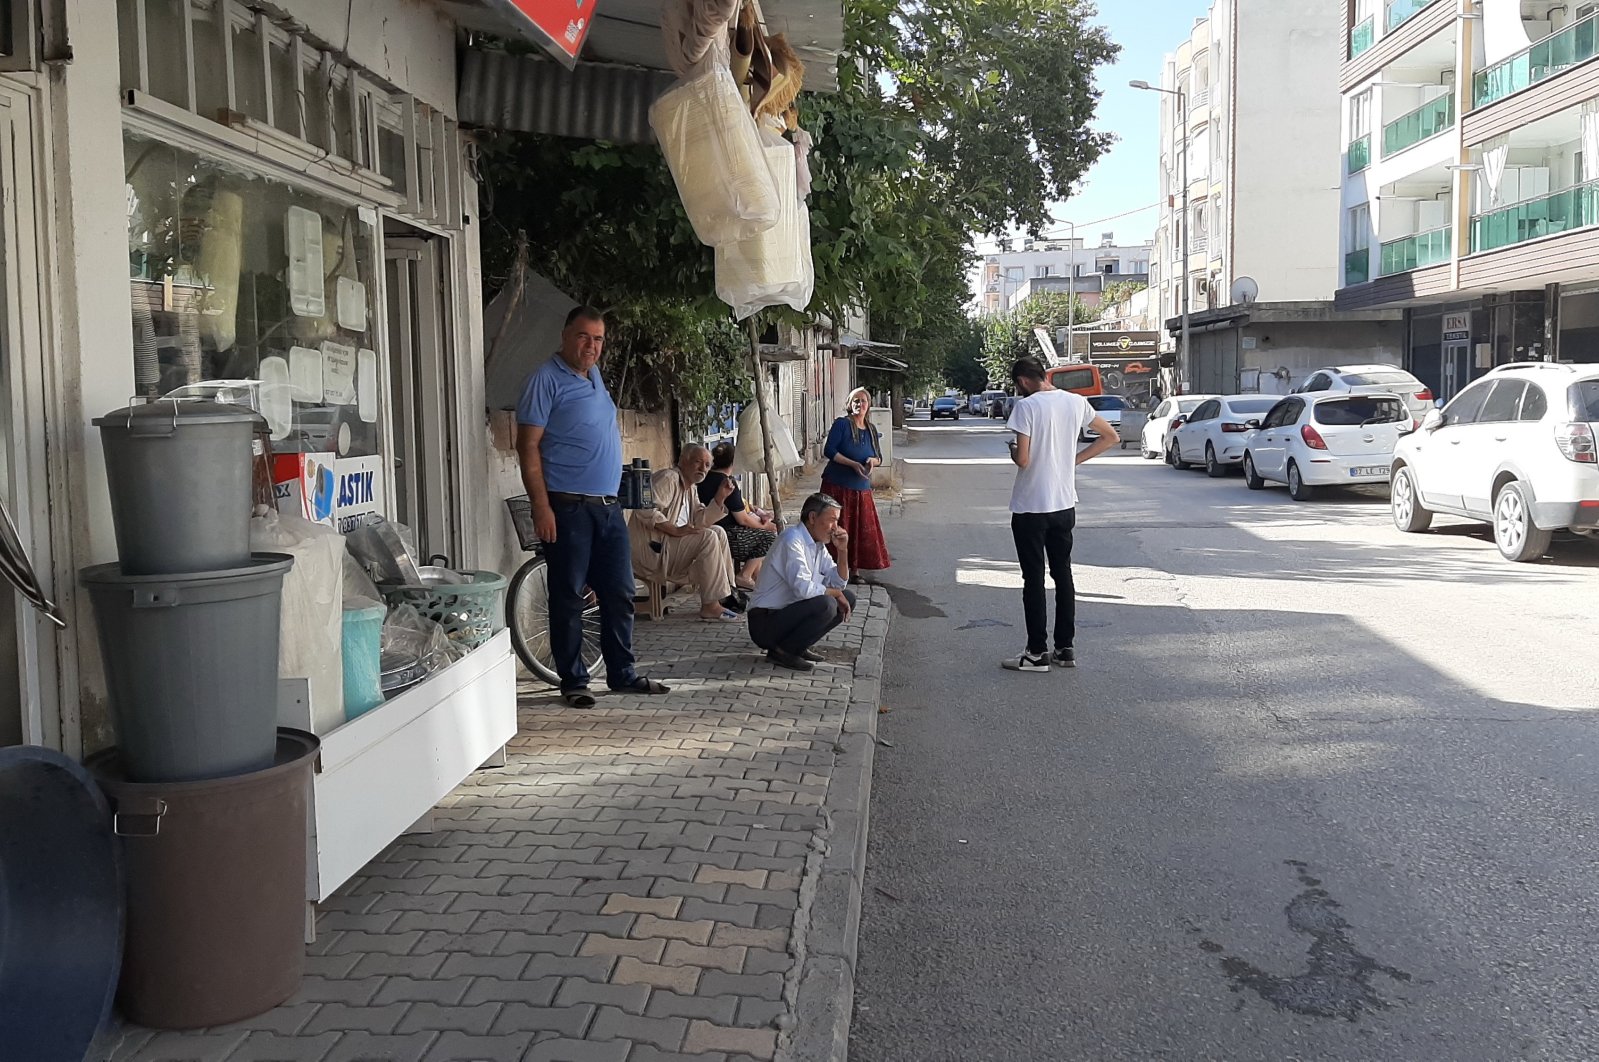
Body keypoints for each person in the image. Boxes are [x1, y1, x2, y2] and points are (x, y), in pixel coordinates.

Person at [516, 306, 670, 708]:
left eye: (599, 339)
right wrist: (541, 506)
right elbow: (528, 446)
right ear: (565, 335)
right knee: (568, 596)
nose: (592, 346)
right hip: (568, 508)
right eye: (584, 336)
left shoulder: (594, 376)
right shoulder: (544, 380)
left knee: (619, 591)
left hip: (607, 507)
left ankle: (622, 674)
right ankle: (574, 681)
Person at [1001, 358, 1118, 673]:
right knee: (1063, 574)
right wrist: (1073, 461)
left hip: (1030, 506)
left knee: (1033, 579)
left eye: (1017, 385)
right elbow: (1110, 437)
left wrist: (1013, 452)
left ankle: (1036, 653)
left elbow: (1024, 460)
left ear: (1023, 381)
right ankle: (1065, 648)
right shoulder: (1076, 403)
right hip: (1064, 504)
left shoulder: (1026, 408)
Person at [630, 444, 743, 621]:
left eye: (707, 465)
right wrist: (674, 529)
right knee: (708, 537)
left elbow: (700, 520)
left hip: (670, 548)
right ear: (683, 461)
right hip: (651, 550)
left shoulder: (690, 487)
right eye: (698, 462)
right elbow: (644, 510)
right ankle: (710, 605)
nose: (702, 469)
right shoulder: (669, 478)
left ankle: (726, 593)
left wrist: (720, 497)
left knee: (718, 532)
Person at [747, 493, 857, 672]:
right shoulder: (792, 540)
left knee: (848, 598)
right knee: (827, 603)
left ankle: (796, 646)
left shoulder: (818, 544)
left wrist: (843, 551)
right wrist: (835, 593)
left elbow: (838, 584)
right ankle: (783, 651)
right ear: (813, 517)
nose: (835, 528)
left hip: (786, 614)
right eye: (832, 520)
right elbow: (804, 590)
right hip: (765, 622)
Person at [820, 387, 891, 581]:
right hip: (837, 487)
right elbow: (829, 450)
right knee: (836, 526)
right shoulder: (842, 425)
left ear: (869, 405)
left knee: (859, 530)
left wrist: (870, 462)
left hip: (861, 489)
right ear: (850, 405)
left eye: (863, 401)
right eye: (856, 401)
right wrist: (852, 464)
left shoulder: (871, 429)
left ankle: (855, 569)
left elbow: (879, 457)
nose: (860, 404)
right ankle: (831, 567)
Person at [698, 442, 779, 591]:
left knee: (759, 535)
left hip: (710, 529)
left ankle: (758, 579)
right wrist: (766, 526)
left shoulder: (703, 479)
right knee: (769, 536)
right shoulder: (728, 483)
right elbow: (743, 519)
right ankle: (744, 576)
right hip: (727, 535)